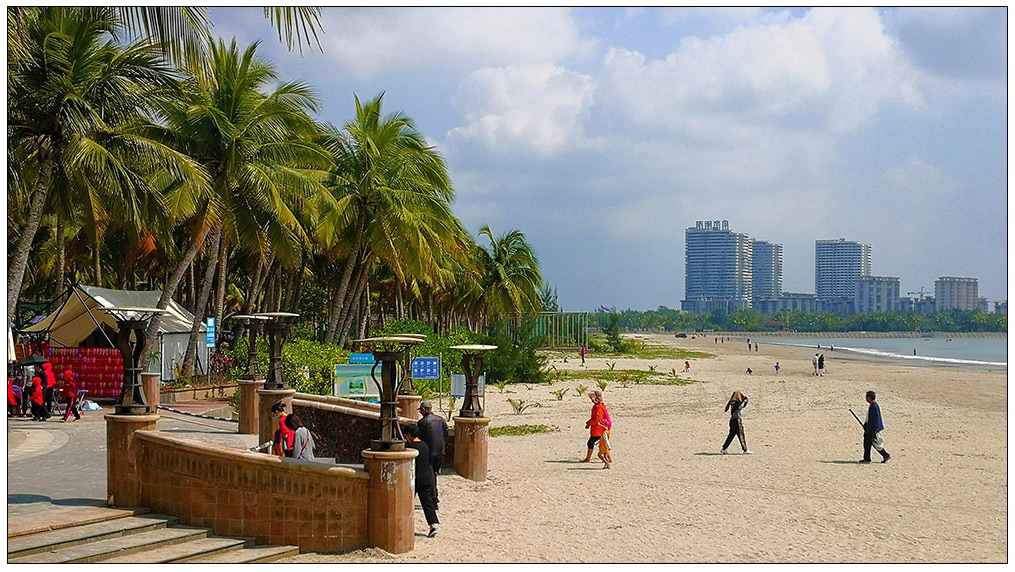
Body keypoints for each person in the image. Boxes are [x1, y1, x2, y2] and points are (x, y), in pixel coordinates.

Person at [403, 423, 439, 537]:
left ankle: (403, 525)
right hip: (426, 478)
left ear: (409, 435)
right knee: (427, 503)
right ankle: (432, 526)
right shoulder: (424, 445)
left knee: (405, 502)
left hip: (414, 479)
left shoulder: (410, 448)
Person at [416, 400, 449, 510]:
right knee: (434, 474)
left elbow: (419, 438)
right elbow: (446, 434)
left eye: (421, 410)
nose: (420, 412)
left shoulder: (422, 422)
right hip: (440, 452)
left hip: (429, 453)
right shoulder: (441, 420)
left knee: (430, 476)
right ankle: (434, 499)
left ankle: (434, 500)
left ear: (425, 409)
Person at [860, 390, 891, 463]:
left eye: (866, 397)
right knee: (867, 443)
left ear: (869, 397)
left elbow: (877, 418)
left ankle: (885, 455)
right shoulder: (872, 406)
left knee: (874, 444)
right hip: (869, 428)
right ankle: (867, 458)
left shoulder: (874, 407)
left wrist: (876, 429)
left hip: (872, 429)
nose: (866, 399)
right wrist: (866, 425)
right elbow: (869, 418)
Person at [581, 390, 607, 462]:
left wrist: (589, 423)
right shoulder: (602, 406)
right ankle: (607, 458)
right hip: (601, 428)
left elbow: (597, 419)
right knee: (603, 444)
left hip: (597, 429)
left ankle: (588, 458)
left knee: (590, 443)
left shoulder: (597, 407)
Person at [597, 399, 613, 469]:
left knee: (599, 455)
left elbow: (606, 439)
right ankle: (607, 465)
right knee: (605, 455)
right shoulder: (607, 431)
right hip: (604, 445)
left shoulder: (604, 433)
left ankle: (606, 462)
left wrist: (609, 446)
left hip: (604, 446)